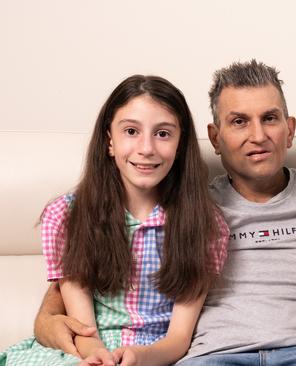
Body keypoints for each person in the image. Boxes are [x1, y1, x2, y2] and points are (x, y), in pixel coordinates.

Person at [33, 61, 296, 366]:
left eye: (269, 118)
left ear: (290, 129)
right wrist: (47, 321)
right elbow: (81, 270)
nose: (257, 135)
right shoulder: (194, 207)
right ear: (215, 137)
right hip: (215, 352)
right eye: (239, 121)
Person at [1, 75, 229, 366]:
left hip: (155, 356)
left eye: (163, 134)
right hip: (84, 350)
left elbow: (178, 339)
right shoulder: (67, 217)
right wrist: (97, 355)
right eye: (131, 131)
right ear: (109, 141)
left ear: (180, 144)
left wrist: (138, 357)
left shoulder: (205, 225)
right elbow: (83, 326)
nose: (146, 148)